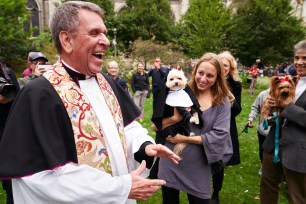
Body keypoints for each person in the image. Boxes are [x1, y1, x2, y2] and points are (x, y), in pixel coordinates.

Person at [0, 2, 180, 203]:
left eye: (104, 33)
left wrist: (143, 146)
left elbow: (125, 129)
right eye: (94, 33)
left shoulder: (107, 83)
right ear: (67, 40)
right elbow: (40, 178)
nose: (105, 41)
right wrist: (119, 188)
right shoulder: (39, 95)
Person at [158, 53, 233, 204]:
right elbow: (158, 123)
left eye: (210, 75)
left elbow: (220, 135)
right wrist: (173, 119)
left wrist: (184, 139)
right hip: (171, 159)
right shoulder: (180, 92)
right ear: (195, 71)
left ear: (218, 77)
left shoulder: (222, 102)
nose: (203, 79)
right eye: (201, 73)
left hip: (198, 165)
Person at [210, 51, 242, 204]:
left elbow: (237, 110)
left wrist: (230, 98)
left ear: (230, 68)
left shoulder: (235, 84)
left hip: (226, 126)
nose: (222, 69)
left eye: (225, 66)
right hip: (208, 124)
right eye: (220, 65)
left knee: (219, 161)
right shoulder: (210, 80)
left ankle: (216, 192)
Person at [279, 39, 306, 203]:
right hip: (286, 149)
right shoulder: (295, 81)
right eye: (297, 58)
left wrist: (287, 106)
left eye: (304, 58)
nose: (299, 62)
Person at [0, 58, 20, 204]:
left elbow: (19, 96)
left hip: (9, 130)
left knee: (12, 181)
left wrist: (11, 99)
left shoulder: (9, 72)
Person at [246, 88, 270, 175]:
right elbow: (255, 108)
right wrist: (251, 119)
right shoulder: (263, 94)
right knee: (263, 150)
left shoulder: (286, 94)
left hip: (280, 131)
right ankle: (264, 166)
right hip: (263, 130)